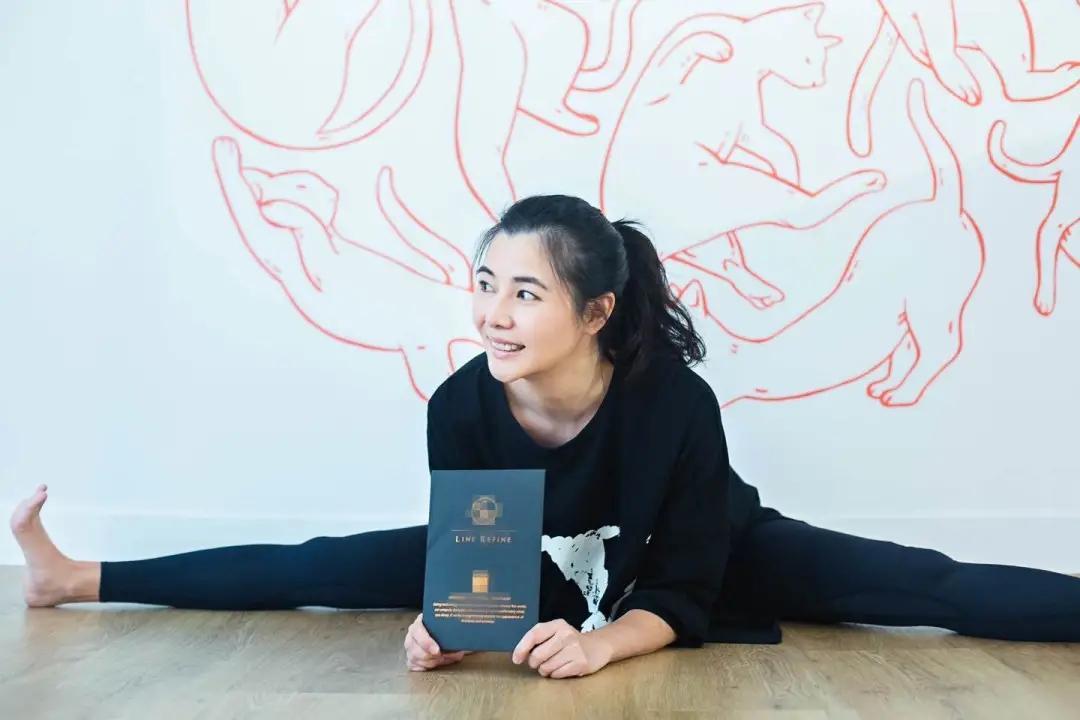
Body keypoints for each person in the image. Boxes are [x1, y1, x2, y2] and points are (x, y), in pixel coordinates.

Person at [10, 195, 1080, 680]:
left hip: (699, 553)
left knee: (918, 587)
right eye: (485, 285)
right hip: (540, 563)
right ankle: (73, 578)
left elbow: (687, 580)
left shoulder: (675, 404)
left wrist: (605, 643)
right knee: (321, 568)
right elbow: (485, 566)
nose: (493, 315)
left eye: (524, 293)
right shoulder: (460, 405)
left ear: (596, 310)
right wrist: (455, 626)